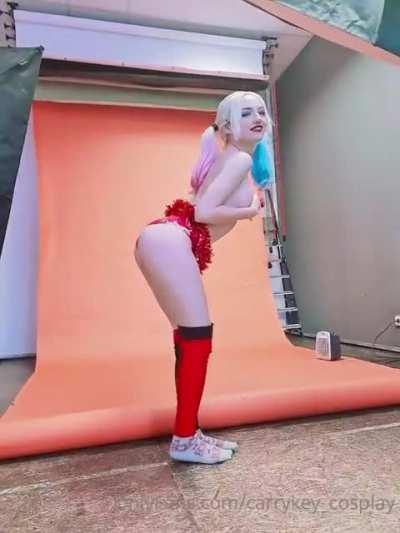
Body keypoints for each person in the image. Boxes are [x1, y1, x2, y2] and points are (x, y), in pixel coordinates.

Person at [134, 91, 271, 464]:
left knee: (189, 337)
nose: (258, 117)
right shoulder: (239, 159)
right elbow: (205, 212)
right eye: (246, 113)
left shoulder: (223, 152)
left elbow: (202, 205)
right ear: (228, 124)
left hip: (162, 238)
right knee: (197, 337)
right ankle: (184, 440)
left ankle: (188, 433)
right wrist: (249, 210)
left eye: (261, 111)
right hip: (172, 239)